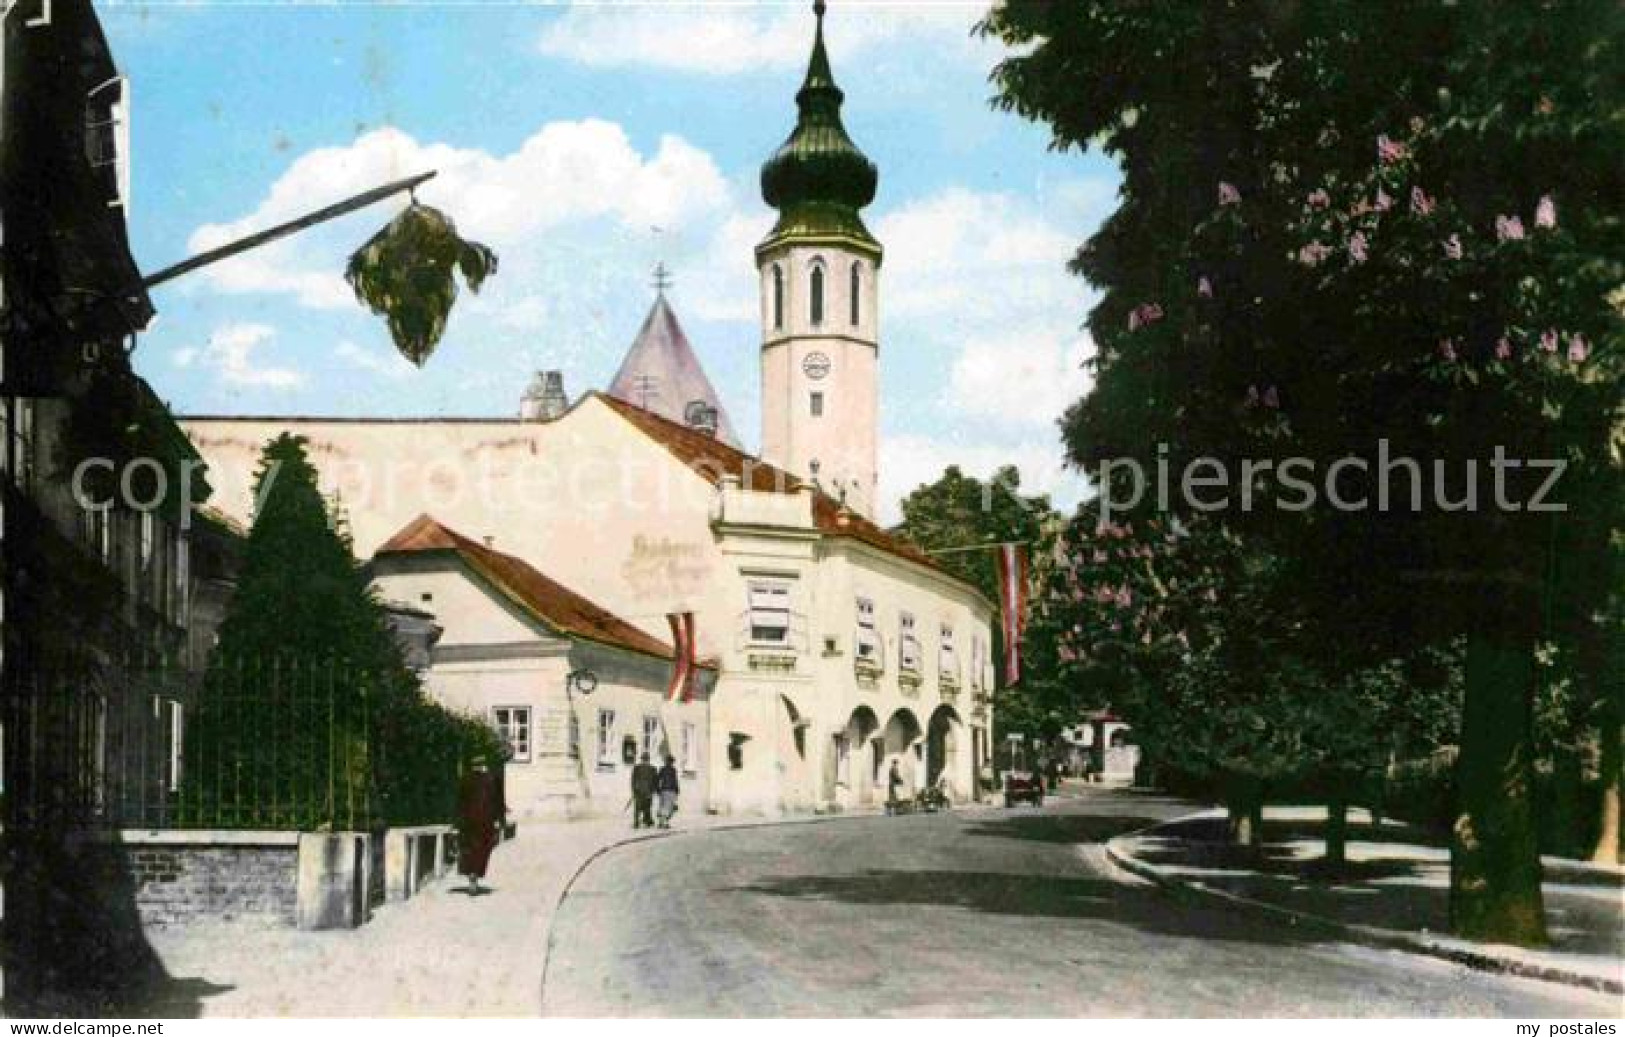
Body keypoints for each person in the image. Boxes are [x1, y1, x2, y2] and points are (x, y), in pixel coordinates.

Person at [457, 755, 501, 894]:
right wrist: (500, 820)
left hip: (469, 822)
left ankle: (472, 876)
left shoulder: (465, 779)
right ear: (483, 765)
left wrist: (457, 822)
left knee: (470, 848)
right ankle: (475, 874)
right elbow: (497, 801)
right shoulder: (491, 779)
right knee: (483, 849)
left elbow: (460, 802)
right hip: (486, 822)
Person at [630, 751, 657, 829]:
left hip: (639, 791)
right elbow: (655, 781)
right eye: (645, 759)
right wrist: (653, 791)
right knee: (647, 807)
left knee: (638, 807)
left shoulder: (637, 767)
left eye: (644, 759)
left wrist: (633, 790)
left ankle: (637, 823)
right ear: (648, 759)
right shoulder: (653, 768)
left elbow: (633, 780)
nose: (645, 761)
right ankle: (646, 822)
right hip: (647, 791)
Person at [655, 754, 681, 828]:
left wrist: (658, 790)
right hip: (669, 790)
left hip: (665, 790)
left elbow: (658, 780)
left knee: (663, 806)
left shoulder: (664, 769)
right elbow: (674, 780)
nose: (670, 763)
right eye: (670, 761)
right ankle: (665, 823)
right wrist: (677, 789)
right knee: (668, 807)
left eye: (670, 761)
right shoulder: (671, 770)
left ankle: (661, 822)